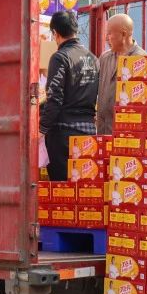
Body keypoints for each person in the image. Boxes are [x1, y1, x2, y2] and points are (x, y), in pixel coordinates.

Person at [40, 10, 98, 181]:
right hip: (88, 132)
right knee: (83, 186)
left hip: (63, 134)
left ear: (55, 33)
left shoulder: (60, 58)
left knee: (62, 189)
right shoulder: (93, 59)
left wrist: (42, 128)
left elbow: (54, 99)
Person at [95, 13, 146, 135]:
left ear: (123, 34)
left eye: (110, 33)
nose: (106, 38)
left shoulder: (140, 59)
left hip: (126, 133)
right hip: (103, 131)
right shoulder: (105, 58)